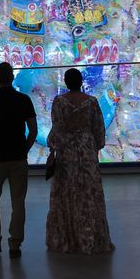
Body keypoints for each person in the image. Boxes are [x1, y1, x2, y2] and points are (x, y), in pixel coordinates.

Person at [46, 68, 114, 254]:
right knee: (88, 193)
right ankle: (91, 238)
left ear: (66, 83)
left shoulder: (59, 102)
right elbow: (99, 129)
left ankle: (69, 238)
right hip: (86, 150)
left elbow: (56, 129)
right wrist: (94, 145)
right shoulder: (91, 102)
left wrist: (53, 146)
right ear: (81, 81)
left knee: (68, 193)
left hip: (67, 152)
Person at [0, 62, 36, 258]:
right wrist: (24, 150)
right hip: (18, 158)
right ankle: (15, 244)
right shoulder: (24, 100)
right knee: (18, 201)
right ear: (12, 77)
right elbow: (33, 130)